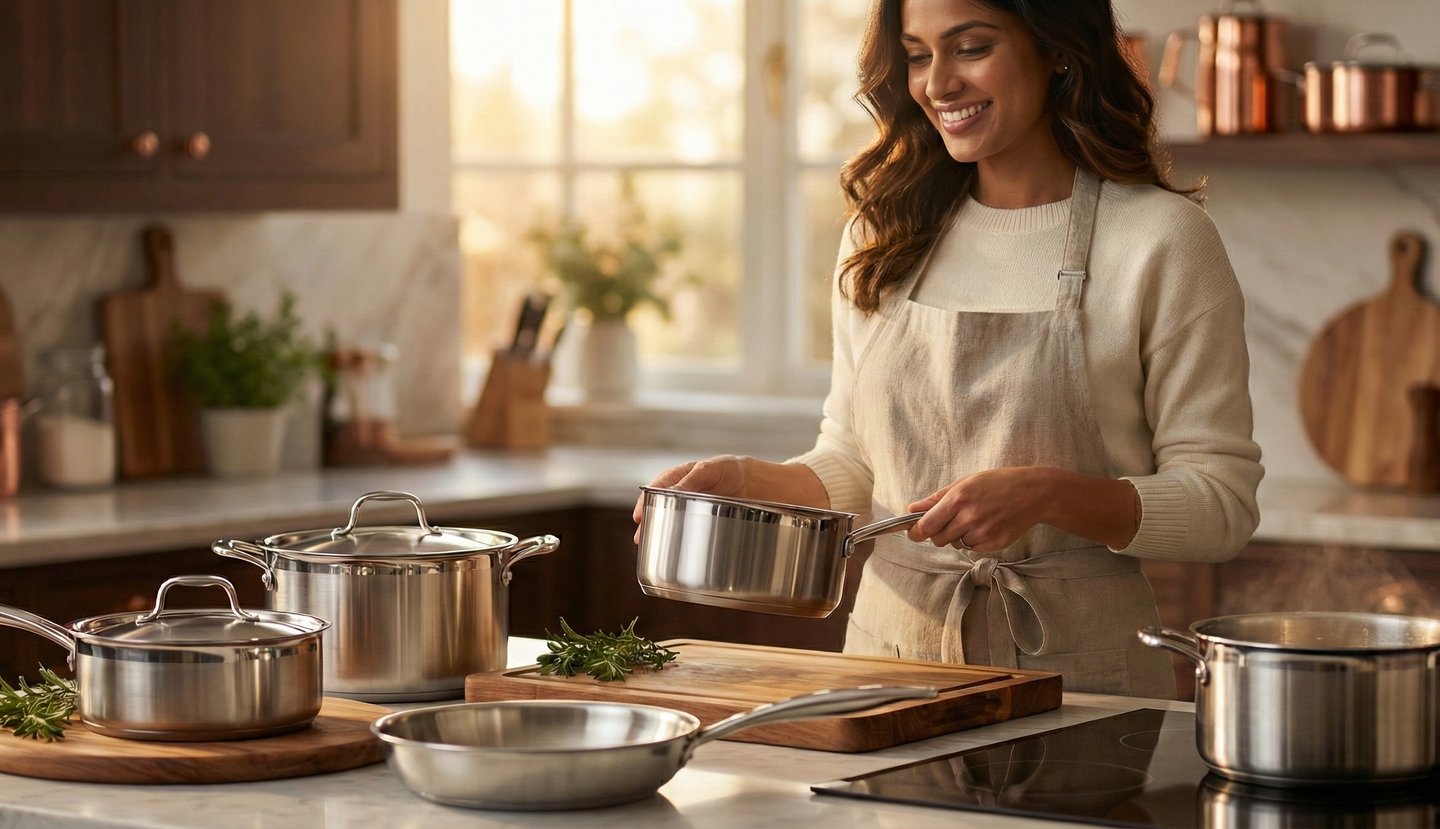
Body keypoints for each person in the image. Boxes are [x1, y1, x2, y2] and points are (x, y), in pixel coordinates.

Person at [634, 0, 1263, 699]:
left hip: (1082, 678)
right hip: (887, 670)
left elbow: (1219, 504)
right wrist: (752, 482)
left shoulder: (1161, 241)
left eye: (970, 47)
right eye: (919, 54)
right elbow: (857, 463)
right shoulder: (884, 232)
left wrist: (1049, 494)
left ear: (1058, 48)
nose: (938, 84)